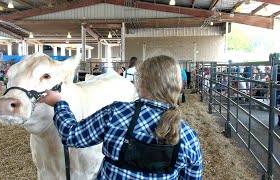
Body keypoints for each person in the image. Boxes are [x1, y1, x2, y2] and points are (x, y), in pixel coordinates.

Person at [40, 55, 203, 179]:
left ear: (141, 83)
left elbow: (72, 135)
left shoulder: (116, 113)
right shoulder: (189, 137)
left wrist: (59, 103)